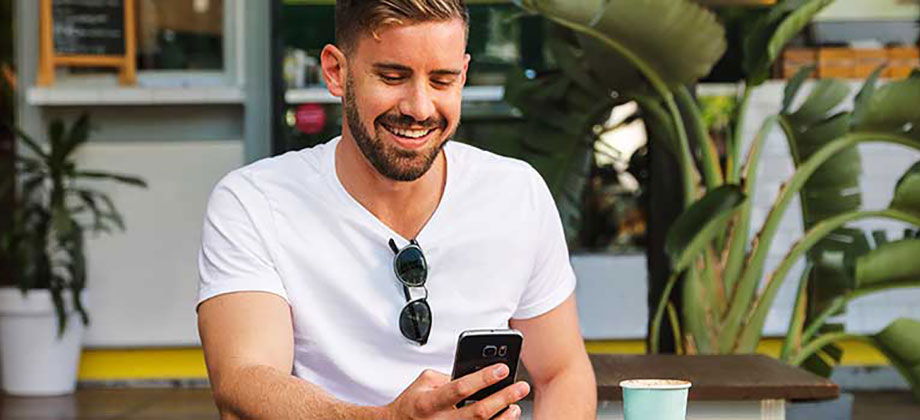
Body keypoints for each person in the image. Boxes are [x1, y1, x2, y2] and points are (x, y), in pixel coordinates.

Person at [195, 1, 596, 418]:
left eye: (442, 81)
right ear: (336, 71)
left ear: (464, 74)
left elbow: (562, 372)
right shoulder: (254, 201)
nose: (420, 108)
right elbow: (244, 381)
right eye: (392, 77)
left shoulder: (517, 192)